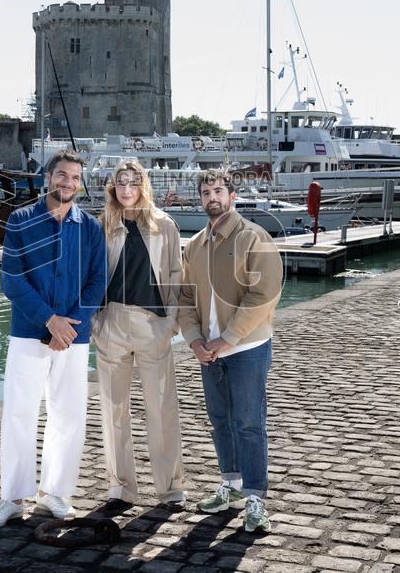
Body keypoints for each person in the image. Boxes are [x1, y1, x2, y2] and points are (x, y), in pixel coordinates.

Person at [0, 150, 107, 529]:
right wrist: (49, 321)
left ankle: (56, 492)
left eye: (74, 177)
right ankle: (12, 497)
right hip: (28, 334)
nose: (67, 183)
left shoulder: (90, 227)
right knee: (19, 414)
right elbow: (12, 280)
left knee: (68, 415)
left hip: (75, 337)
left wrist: (70, 326)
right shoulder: (20, 220)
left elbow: (97, 281)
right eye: (62, 175)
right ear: (47, 177)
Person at [177, 168, 282, 534]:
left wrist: (229, 339)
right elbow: (185, 298)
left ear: (232, 195)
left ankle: (255, 498)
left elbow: (263, 295)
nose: (212, 198)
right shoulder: (194, 246)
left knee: (249, 424)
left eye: (218, 191)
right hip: (209, 351)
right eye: (206, 192)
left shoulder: (255, 238)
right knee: (221, 421)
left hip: (247, 348)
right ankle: (232, 485)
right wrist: (193, 340)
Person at [92, 159, 186, 514]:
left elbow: (178, 274)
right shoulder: (103, 225)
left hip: (153, 325)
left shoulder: (165, 225)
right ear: (113, 188)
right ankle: (121, 488)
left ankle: (171, 489)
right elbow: (91, 275)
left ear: (143, 185)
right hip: (112, 323)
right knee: (114, 411)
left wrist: (170, 323)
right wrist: (96, 324)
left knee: (161, 409)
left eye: (133, 182)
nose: (127, 188)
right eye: (121, 182)